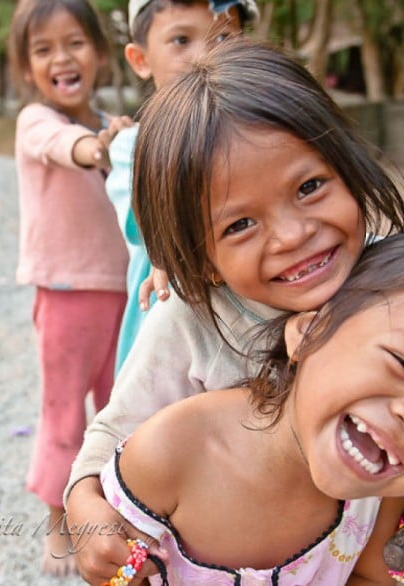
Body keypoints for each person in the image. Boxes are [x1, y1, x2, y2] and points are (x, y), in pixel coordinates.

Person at [64, 41, 404, 583]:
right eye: (239, 225)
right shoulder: (188, 322)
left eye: (309, 187)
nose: (294, 234)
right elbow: (114, 431)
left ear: (349, 169)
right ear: (203, 260)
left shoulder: (382, 276)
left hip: (351, 533)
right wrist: (84, 510)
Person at [99, 229, 404, 585]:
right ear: (310, 333)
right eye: (402, 364)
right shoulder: (175, 447)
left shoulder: (379, 494)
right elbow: (110, 566)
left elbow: (371, 576)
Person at [7, 0, 129, 575]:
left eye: (75, 42)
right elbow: (64, 147)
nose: (62, 58)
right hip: (65, 293)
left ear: (101, 54)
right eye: (43, 49)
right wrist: (97, 148)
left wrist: (119, 142)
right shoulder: (37, 121)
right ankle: (57, 519)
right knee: (64, 415)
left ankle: (113, 510)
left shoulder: (111, 125)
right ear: (26, 67)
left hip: (124, 291)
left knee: (120, 408)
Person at [105, 0, 259, 375]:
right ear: (140, 59)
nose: (207, 54)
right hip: (174, 349)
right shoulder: (133, 148)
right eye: (180, 40)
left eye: (223, 36)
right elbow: (159, 224)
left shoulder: (261, 134)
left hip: (256, 322)